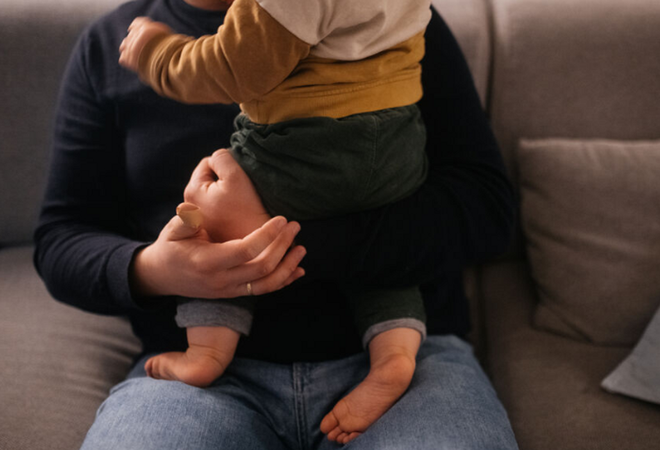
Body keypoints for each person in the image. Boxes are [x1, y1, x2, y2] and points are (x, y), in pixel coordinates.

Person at [34, 0, 519, 447]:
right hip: (199, 387)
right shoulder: (108, 44)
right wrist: (157, 268)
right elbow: (62, 238)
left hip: (412, 363)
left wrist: (266, 236)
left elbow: (487, 209)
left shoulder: (383, 17)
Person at [116, 0, 432, 440]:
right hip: (399, 146)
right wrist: (150, 269)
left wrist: (158, 54)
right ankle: (395, 354)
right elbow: (62, 234)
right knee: (380, 221)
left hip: (311, 147)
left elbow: (232, 68)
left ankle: (206, 352)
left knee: (213, 211)